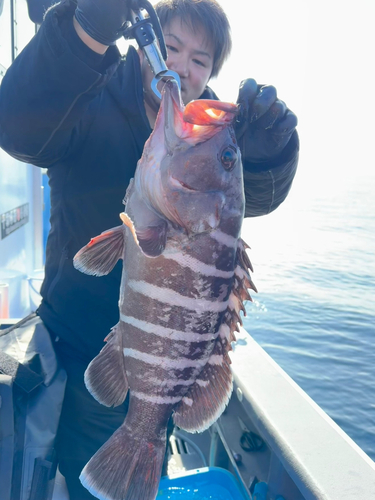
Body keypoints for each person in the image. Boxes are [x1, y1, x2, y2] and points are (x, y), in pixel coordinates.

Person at [0, 0, 299, 498]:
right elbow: (19, 125)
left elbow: (248, 198)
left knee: (147, 470)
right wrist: (81, 32)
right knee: (86, 482)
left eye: (200, 60)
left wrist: (268, 159)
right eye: (172, 46)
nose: (182, 66)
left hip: (172, 368)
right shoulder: (88, 96)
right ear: (146, 45)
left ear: (211, 71)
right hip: (81, 348)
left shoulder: (209, 131)